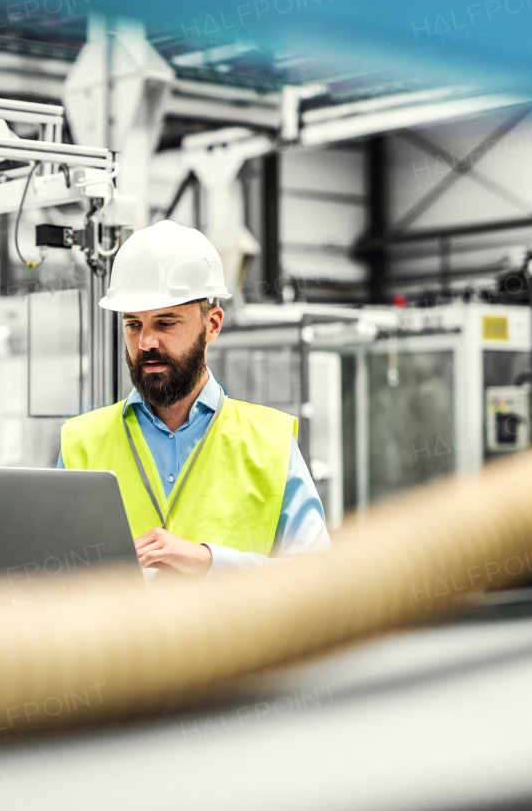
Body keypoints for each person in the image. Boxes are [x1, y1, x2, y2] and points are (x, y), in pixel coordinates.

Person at [58, 220, 329, 575]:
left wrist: (210, 561)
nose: (146, 342)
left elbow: (320, 579)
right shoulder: (81, 443)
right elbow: (57, 571)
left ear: (212, 324)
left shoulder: (271, 444)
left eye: (165, 323)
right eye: (133, 324)